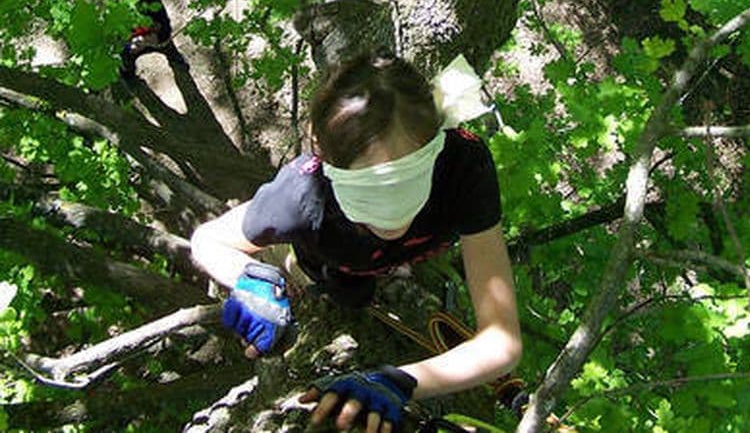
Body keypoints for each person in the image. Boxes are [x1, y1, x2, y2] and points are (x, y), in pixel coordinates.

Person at [190, 51, 522, 433]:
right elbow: (208, 240)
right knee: (336, 292)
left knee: (360, 287)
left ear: (437, 150)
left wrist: (402, 381)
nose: (391, 220)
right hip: (314, 261)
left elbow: (502, 342)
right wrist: (250, 280)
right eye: (371, 199)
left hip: (383, 257)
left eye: (406, 190)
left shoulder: (465, 167)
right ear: (328, 168)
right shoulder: (303, 196)